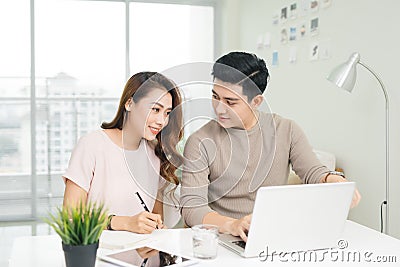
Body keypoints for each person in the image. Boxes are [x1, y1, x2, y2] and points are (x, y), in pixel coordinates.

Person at [180, 51, 361, 242]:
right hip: (221, 239)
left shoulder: (286, 130)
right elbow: (192, 207)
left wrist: (334, 180)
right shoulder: (200, 141)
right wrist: (232, 225)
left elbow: (314, 172)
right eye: (215, 97)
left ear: (256, 101)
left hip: (273, 236)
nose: (219, 108)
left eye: (230, 102)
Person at [63, 72, 183, 234]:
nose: (162, 121)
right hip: (102, 256)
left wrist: (157, 228)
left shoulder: (155, 154)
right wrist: (124, 222)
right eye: (155, 109)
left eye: (167, 113)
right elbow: (70, 218)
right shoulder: (92, 145)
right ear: (129, 104)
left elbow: (155, 218)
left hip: (145, 256)